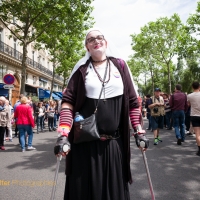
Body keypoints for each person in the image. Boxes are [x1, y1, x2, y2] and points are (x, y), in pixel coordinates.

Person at [54, 28, 149, 200]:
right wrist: (63, 134)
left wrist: (139, 131)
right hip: (85, 144)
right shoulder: (82, 70)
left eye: (100, 37)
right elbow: (68, 103)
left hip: (113, 144)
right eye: (91, 39)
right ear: (87, 47)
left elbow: (133, 103)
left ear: (106, 43)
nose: (96, 40)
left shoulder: (120, 66)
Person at [187, 81, 200, 156]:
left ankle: (199, 150)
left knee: (197, 134)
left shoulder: (189, 95)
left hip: (194, 115)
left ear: (192, 87)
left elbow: (188, 104)